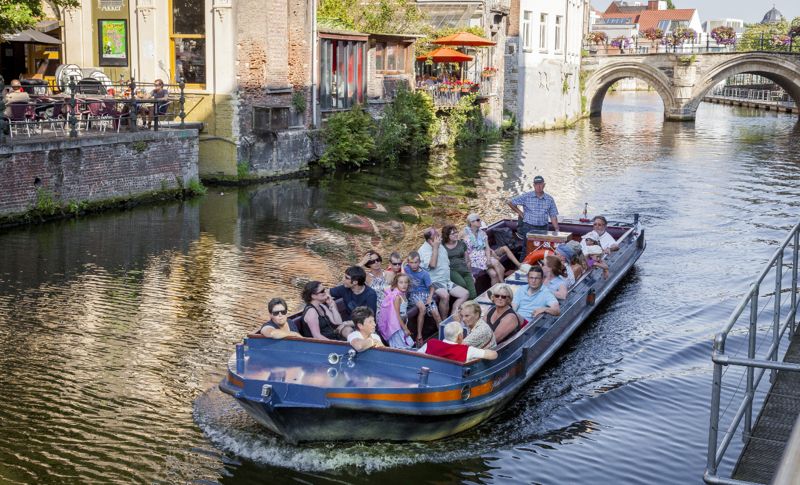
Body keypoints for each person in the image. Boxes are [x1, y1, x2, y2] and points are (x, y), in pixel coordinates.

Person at [418, 227, 468, 319]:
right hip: (434, 282)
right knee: (445, 295)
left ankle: (452, 318)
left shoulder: (440, 245)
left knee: (465, 294)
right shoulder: (424, 250)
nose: (439, 236)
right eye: (436, 235)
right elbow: (432, 265)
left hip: (446, 280)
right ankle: (444, 321)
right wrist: (435, 248)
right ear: (430, 240)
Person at [506, 175, 559, 260]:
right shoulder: (526, 196)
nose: (538, 186)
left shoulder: (550, 199)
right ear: (533, 185)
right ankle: (522, 269)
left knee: (543, 249)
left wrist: (557, 229)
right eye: (536, 184)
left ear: (544, 185)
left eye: (540, 184)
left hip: (543, 228)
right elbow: (510, 202)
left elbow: (553, 215)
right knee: (526, 249)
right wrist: (520, 212)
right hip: (528, 227)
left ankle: (539, 269)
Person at [463, 213, 520, 286]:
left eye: (479, 219)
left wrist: (489, 259)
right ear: (471, 223)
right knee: (497, 264)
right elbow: (463, 250)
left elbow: (487, 247)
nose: (480, 221)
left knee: (494, 274)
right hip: (473, 258)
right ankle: (503, 285)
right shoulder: (465, 234)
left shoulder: (482, 233)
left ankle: (495, 292)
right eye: (478, 220)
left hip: (483, 255)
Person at [404, 251, 442, 347]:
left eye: (416, 262)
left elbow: (432, 287)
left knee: (436, 313)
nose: (413, 265)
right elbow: (402, 270)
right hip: (414, 294)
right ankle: (419, 336)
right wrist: (404, 263)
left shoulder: (424, 274)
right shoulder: (406, 269)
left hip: (425, 294)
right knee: (422, 308)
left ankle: (443, 335)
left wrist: (429, 298)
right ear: (408, 263)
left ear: (419, 262)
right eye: (411, 262)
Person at [419, 321, 498, 363]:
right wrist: (484, 350)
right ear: (460, 336)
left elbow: (417, 356)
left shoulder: (431, 343)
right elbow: (494, 355)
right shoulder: (466, 350)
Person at [378, 274, 414, 349]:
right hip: (397, 325)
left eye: (406, 282)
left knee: (406, 344)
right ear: (396, 284)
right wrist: (405, 329)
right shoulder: (397, 297)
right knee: (401, 346)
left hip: (403, 322)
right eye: (401, 282)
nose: (404, 285)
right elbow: (396, 315)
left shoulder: (403, 293)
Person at [442, 224, 477, 299]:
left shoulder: (461, 243)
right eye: (453, 233)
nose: (456, 234)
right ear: (447, 235)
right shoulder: (442, 246)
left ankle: (469, 308)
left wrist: (471, 274)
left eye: (456, 232)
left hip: (464, 269)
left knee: (473, 295)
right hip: (452, 270)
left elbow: (467, 260)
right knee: (462, 284)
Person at [360, 250, 393, 322]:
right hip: (376, 310)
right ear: (368, 264)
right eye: (372, 261)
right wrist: (362, 263)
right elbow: (350, 275)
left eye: (377, 260)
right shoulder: (366, 277)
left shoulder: (390, 274)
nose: (376, 263)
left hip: (392, 307)